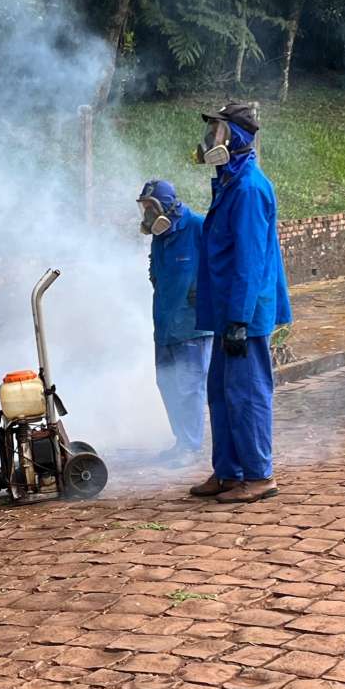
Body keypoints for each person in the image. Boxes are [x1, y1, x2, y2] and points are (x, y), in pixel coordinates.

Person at [190, 102, 292, 503]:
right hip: (228, 309)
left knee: (247, 392)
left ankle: (258, 474)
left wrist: (237, 318)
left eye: (216, 131)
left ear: (234, 137)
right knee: (220, 390)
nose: (209, 140)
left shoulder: (248, 188)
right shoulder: (231, 182)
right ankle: (229, 471)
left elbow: (249, 262)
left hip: (243, 314)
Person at [138, 180, 213, 465]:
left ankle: (190, 446)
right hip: (166, 324)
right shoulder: (160, 236)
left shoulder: (197, 226)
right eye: (144, 208)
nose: (147, 214)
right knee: (168, 384)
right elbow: (154, 271)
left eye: (151, 207)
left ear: (168, 205)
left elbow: (218, 263)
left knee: (189, 386)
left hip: (193, 325)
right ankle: (181, 440)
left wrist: (200, 290)